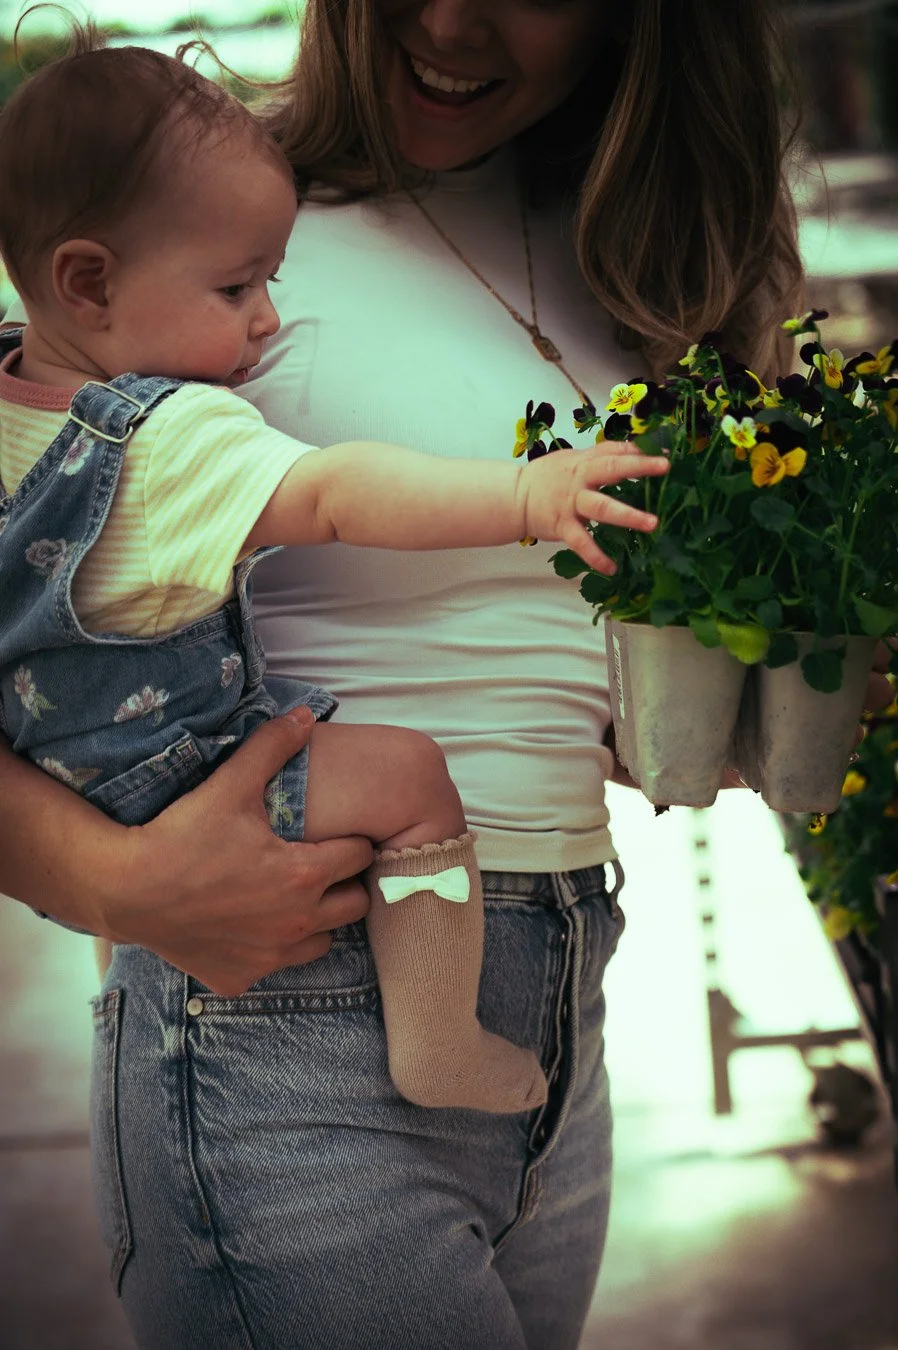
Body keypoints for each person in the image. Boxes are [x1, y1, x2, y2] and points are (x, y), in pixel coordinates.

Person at [0, 2, 893, 1347]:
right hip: (288, 1019)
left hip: (550, 999)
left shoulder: (632, 260)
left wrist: (723, 708)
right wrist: (111, 882)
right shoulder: (192, 216)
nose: (449, 20)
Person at [0, 41, 667, 1119]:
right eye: (236, 287)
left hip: (77, 782)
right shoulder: (169, 436)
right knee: (406, 776)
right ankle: (438, 1039)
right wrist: (523, 496)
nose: (265, 319)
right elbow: (340, 494)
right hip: (191, 782)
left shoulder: (14, 416)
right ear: (89, 282)